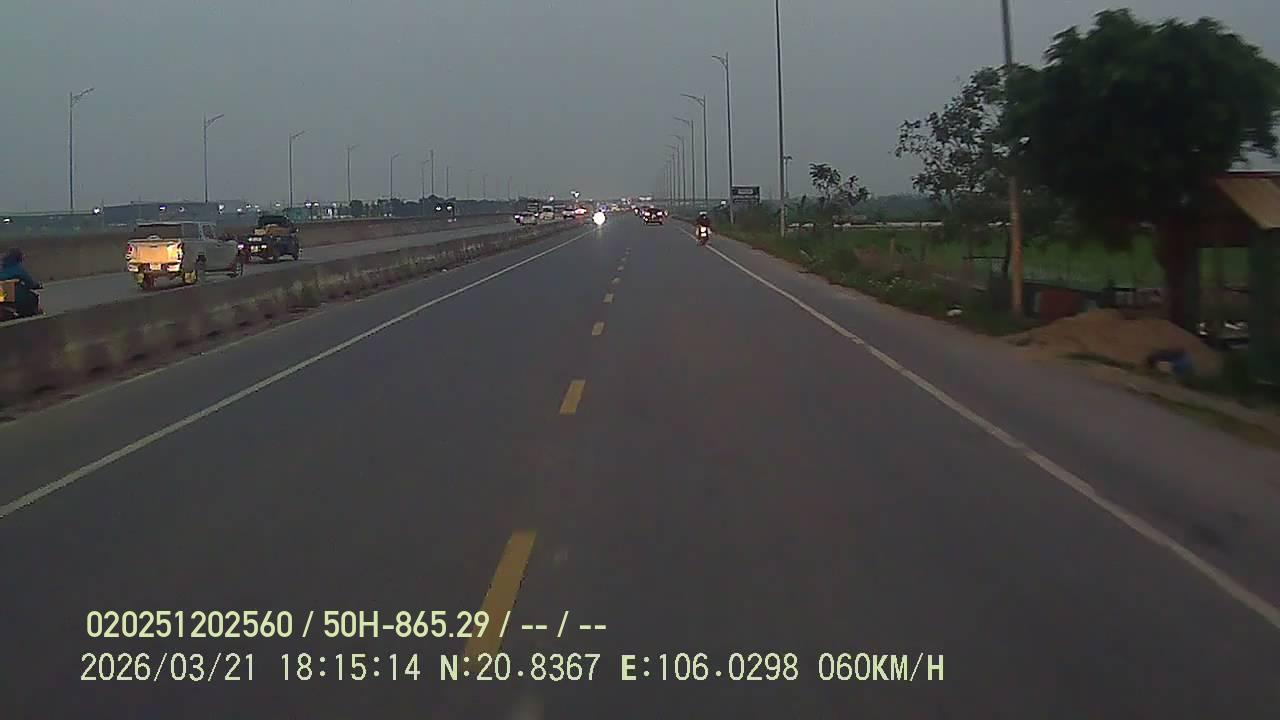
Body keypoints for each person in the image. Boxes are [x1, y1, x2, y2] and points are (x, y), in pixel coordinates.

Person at [0, 248, 41, 317]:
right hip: (17, 298)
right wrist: (37, 285)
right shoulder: (18, 269)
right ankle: (33, 312)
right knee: (33, 296)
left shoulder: (2, 270)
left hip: (3, 298)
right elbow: (30, 283)